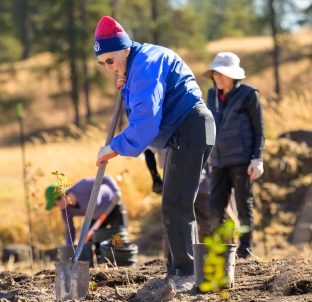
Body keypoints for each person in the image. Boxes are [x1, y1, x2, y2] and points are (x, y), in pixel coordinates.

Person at [93, 16, 215, 280]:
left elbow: (146, 120)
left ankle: (185, 274)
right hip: (186, 131)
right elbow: (147, 106)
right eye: (103, 64)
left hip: (189, 129)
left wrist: (114, 147)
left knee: (177, 205)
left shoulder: (145, 66)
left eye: (111, 61)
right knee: (173, 205)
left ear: (124, 48)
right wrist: (126, 85)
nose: (108, 68)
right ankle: (177, 272)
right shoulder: (139, 62)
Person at [203, 52, 265, 259]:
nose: (218, 78)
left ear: (234, 75)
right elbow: (209, 126)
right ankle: (218, 252)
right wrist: (208, 154)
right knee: (215, 209)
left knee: (243, 207)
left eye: (222, 73)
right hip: (219, 161)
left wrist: (258, 159)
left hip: (242, 161)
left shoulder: (249, 95)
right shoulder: (211, 95)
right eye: (215, 74)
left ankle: (245, 252)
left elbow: (259, 130)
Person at [44, 175, 128, 246]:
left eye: (55, 204)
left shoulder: (81, 187)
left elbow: (105, 177)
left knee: (119, 240)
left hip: (113, 206)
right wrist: (69, 249)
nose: (56, 207)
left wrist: (116, 191)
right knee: (94, 242)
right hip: (97, 217)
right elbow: (70, 231)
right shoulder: (66, 211)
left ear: (61, 196)